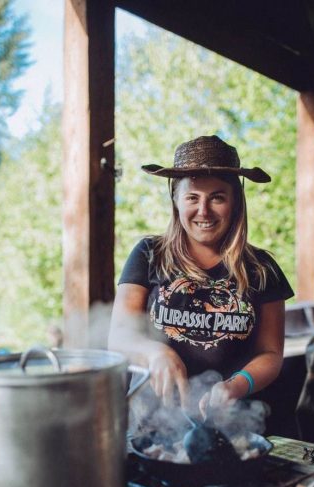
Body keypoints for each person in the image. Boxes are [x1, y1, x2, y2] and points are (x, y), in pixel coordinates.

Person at [108, 135, 294, 418]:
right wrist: (156, 352)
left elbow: (270, 354)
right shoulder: (148, 254)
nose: (203, 211)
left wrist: (234, 386)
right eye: (192, 197)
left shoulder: (262, 268)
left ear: (235, 202)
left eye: (217, 197)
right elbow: (119, 336)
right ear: (176, 200)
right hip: (150, 422)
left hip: (232, 423)